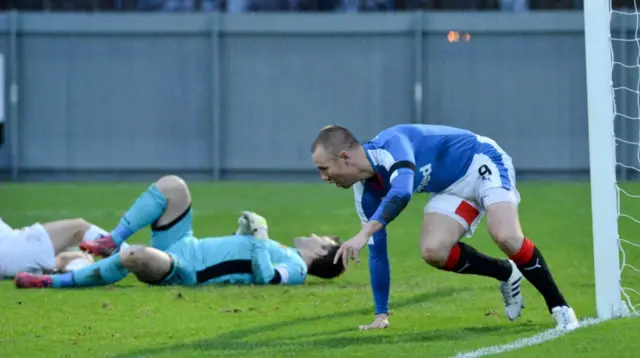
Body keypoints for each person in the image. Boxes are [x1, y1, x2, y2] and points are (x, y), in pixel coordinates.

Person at [310, 124, 579, 331]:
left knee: (506, 236)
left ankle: (560, 306)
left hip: (479, 161)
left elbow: (402, 192)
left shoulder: (392, 145)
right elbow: (378, 253)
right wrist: (381, 314)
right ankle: (506, 273)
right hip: (452, 189)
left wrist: (363, 232)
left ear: (344, 157)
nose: (324, 178)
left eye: (324, 169)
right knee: (433, 251)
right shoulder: (365, 194)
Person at [15, 175, 346, 288]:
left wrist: (259, 235)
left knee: (136, 256)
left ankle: (51, 281)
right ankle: (111, 239)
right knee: (174, 187)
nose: (317, 234)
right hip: (187, 243)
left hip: (186, 270)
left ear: (321, 252)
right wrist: (245, 233)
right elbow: (237, 259)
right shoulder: (284, 251)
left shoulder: (298, 269)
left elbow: (265, 278)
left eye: (324, 239)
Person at [0, 217, 108, 278]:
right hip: (13, 249)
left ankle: (71, 273)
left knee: (81, 256)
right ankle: (122, 253)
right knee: (79, 227)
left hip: (11, 253)